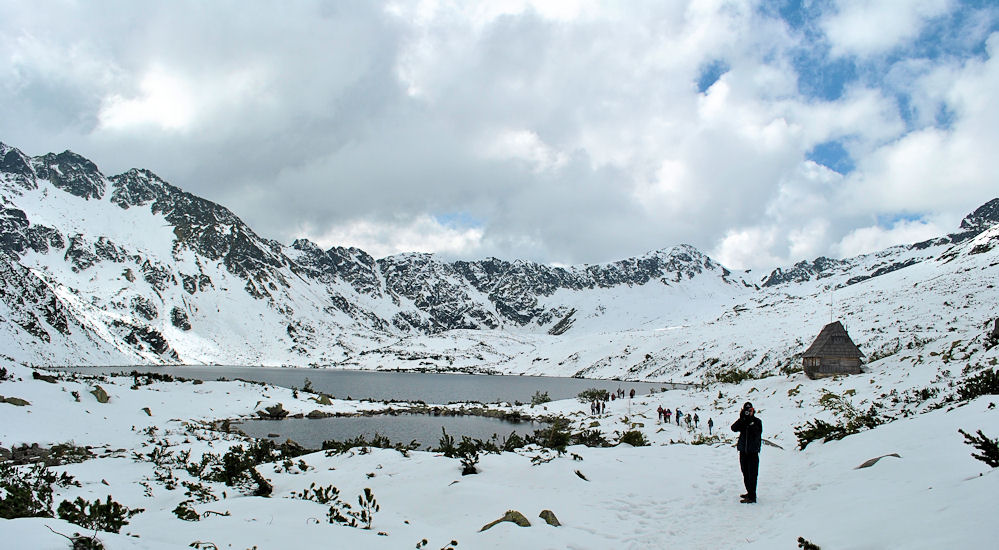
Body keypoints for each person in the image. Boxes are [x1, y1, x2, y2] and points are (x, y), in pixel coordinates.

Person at [731, 402, 762, 503]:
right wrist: (742, 419)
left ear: (753, 410)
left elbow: (757, 433)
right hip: (743, 451)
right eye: (746, 410)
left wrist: (751, 421)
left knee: (752, 474)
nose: (748, 412)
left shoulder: (757, 421)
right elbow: (733, 428)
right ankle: (749, 492)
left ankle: (752, 496)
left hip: (753, 452)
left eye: (750, 410)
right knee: (745, 473)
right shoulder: (743, 421)